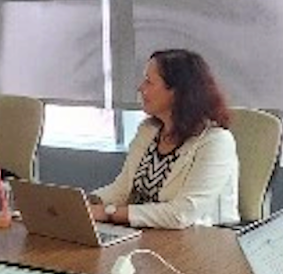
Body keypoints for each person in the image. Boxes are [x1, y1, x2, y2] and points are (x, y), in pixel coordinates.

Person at [91, 49, 238, 229]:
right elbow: (122, 189)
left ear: (177, 92)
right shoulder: (148, 131)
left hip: (201, 240)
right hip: (145, 233)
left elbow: (182, 214)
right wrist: (86, 204)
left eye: (149, 81)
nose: (140, 88)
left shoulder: (216, 142)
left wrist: (109, 213)